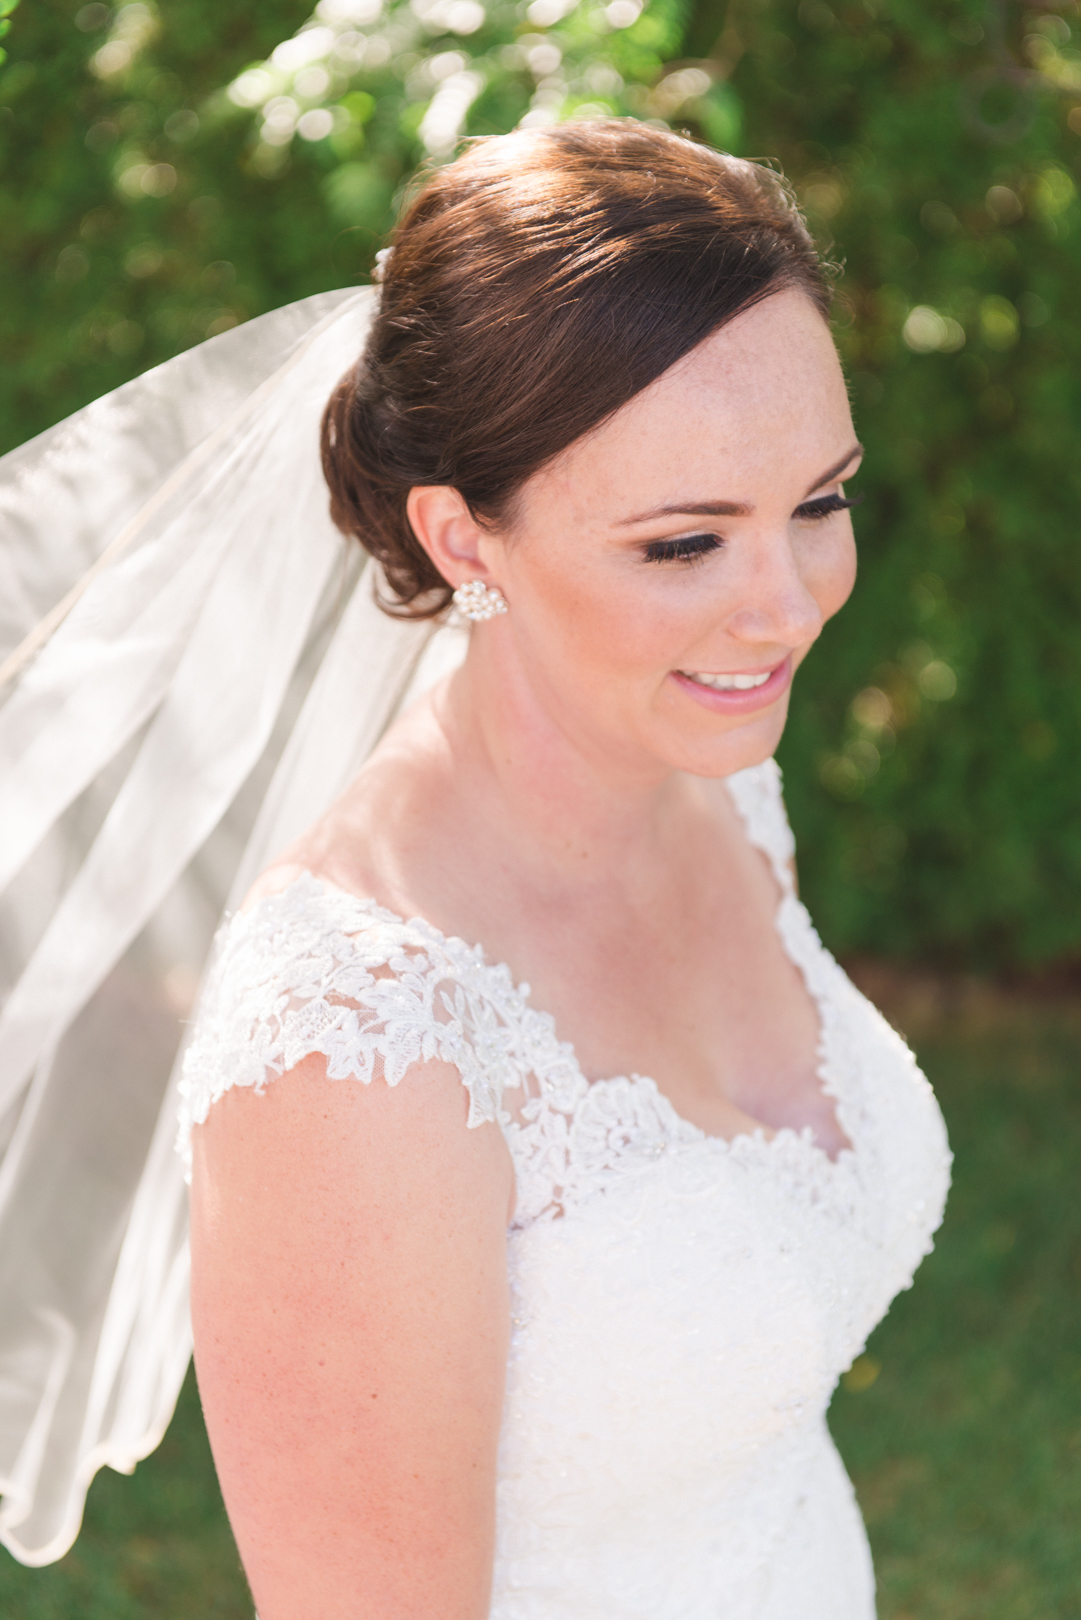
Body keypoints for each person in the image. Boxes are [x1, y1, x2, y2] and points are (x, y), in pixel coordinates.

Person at [0, 121, 950, 1612]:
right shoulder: (357, 1048)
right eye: (684, 543)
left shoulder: (714, 776)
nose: (787, 605)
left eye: (816, 502)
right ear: (463, 538)